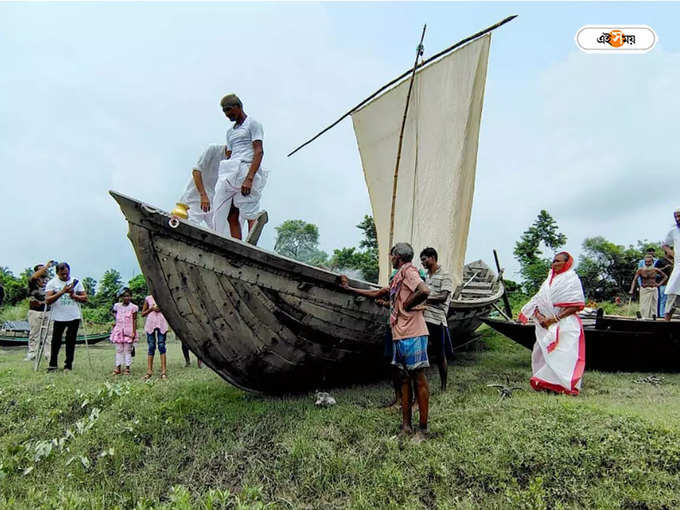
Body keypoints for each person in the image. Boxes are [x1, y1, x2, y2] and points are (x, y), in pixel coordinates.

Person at [341, 243, 430, 440]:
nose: (390, 259)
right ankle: (406, 426)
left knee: (418, 379)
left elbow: (424, 290)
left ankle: (422, 429)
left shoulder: (409, 270)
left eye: (391, 255)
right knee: (404, 379)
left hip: (413, 333)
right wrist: (350, 288)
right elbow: (378, 293)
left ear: (397, 256)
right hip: (399, 333)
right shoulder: (398, 277)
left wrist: (407, 304)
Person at [519, 252, 586, 395]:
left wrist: (554, 319)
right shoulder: (548, 280)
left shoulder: (571, 279)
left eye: (558, 261)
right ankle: (545, 384)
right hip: (544, 325)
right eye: (553, 261)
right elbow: (538, 300)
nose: (554, 264)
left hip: (564, 323)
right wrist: (539, 316)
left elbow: (576, 305)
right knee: (540, 353)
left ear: (567, 263)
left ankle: (562, 385)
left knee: (563, 354)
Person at [212, 94, 269, 241]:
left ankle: (251, 246)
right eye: (225, 112)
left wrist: (249, 178)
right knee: (231, 212)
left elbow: (258, 151)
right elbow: (230, 154)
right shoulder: (230, 132)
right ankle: (236, 243)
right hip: (231, 170)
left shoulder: (252, 124)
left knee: (249, 212)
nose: (227, 114)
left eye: (229, 110)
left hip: (247, 169)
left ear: (238, 107)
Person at [419, 247, 454, 391]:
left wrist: (424, 300)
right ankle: (422, 384)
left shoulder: (445, 275)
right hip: (424, 316)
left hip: (437, 318)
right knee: (424, 351)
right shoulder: (426, 276)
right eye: (421, 260)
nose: (422, 263)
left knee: (440, 354)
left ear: (432, 257)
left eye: (424, 259)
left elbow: (443, 296)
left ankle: (444, 386)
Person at [45, 262, 88, 372]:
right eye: (62, 274)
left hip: (73, 316)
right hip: (58, 316)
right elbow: (48, 300)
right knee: (56, 342)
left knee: (71, 341)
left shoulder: (76, 282)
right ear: (57, 273)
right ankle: (53, 365)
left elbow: (85, 298)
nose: (65, 276)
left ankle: (68, 365)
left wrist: (73, 295)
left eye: (66, 274)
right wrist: (62, 291)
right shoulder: (52, 283)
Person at [177, 144, 229, 228]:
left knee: (222, 232)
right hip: (195, 197)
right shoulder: (213, 149)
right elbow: (196, 171)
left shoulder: (235, 160)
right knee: (188, 226)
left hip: (214, 201)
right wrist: (203, 195)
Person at [26, 260, 54, 362]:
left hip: (48, 310)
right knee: (34, 333)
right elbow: (34, 277)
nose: (44, 270)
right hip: (35, 311)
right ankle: (32, 353)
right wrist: (46, 266)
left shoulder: (50, 281)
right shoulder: (32, 280)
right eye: (41, 269)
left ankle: (48, 354)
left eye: (44, 269)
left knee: (49, 334)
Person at [110, 288, 138, 375]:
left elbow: (134, 320)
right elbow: (113, 312)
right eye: (125, 296)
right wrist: (116, 321)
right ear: (121, 297)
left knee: (127, 350)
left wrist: (133, 332)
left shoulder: (133, 307)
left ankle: (127, 368)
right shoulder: (117, 306)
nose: (127, 298)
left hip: (128, 331)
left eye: (128, 296)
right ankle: (118, 367)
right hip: (119, 331)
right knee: (119, 350)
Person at [629, 254, 667, 318]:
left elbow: (665, 277)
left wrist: (659, 284)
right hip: (644, 289)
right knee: (643, 307)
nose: (647, 263)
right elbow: (634, 280)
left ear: (652, 262)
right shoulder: (640, 270)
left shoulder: (656, 270)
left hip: (654, 289)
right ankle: (643, 319)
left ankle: (653, 320)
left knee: (653, 307)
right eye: (646, 262)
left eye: (649, 262)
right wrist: (631, 290)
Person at [141, 295, 169, 380]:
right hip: (150, 323)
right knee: (151, 346)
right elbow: (143, 313)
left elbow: (169, 311)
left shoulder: (164, 296)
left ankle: (163, 372)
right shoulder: (148, 298)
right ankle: (149, 371)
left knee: (161, 345)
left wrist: (161, 309)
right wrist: (151, 309)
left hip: (162, 323)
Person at [662, 209, 680, 321]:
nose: (678, 219)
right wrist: (674, 254)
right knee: (672, 292)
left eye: (679, 216)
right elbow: (664, 245)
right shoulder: (673, 231)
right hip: (679, 267)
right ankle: (666, 322)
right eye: (676, 217)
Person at [655, 251, 674, 318]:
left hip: (672, 283)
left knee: (669, 300)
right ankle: (661, 314)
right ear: (667, 253)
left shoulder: (674, 261)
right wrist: (665, 267)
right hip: (663, 283)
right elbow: (655, 270)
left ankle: (666, 314)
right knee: (663, 299)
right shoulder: (660, 261)